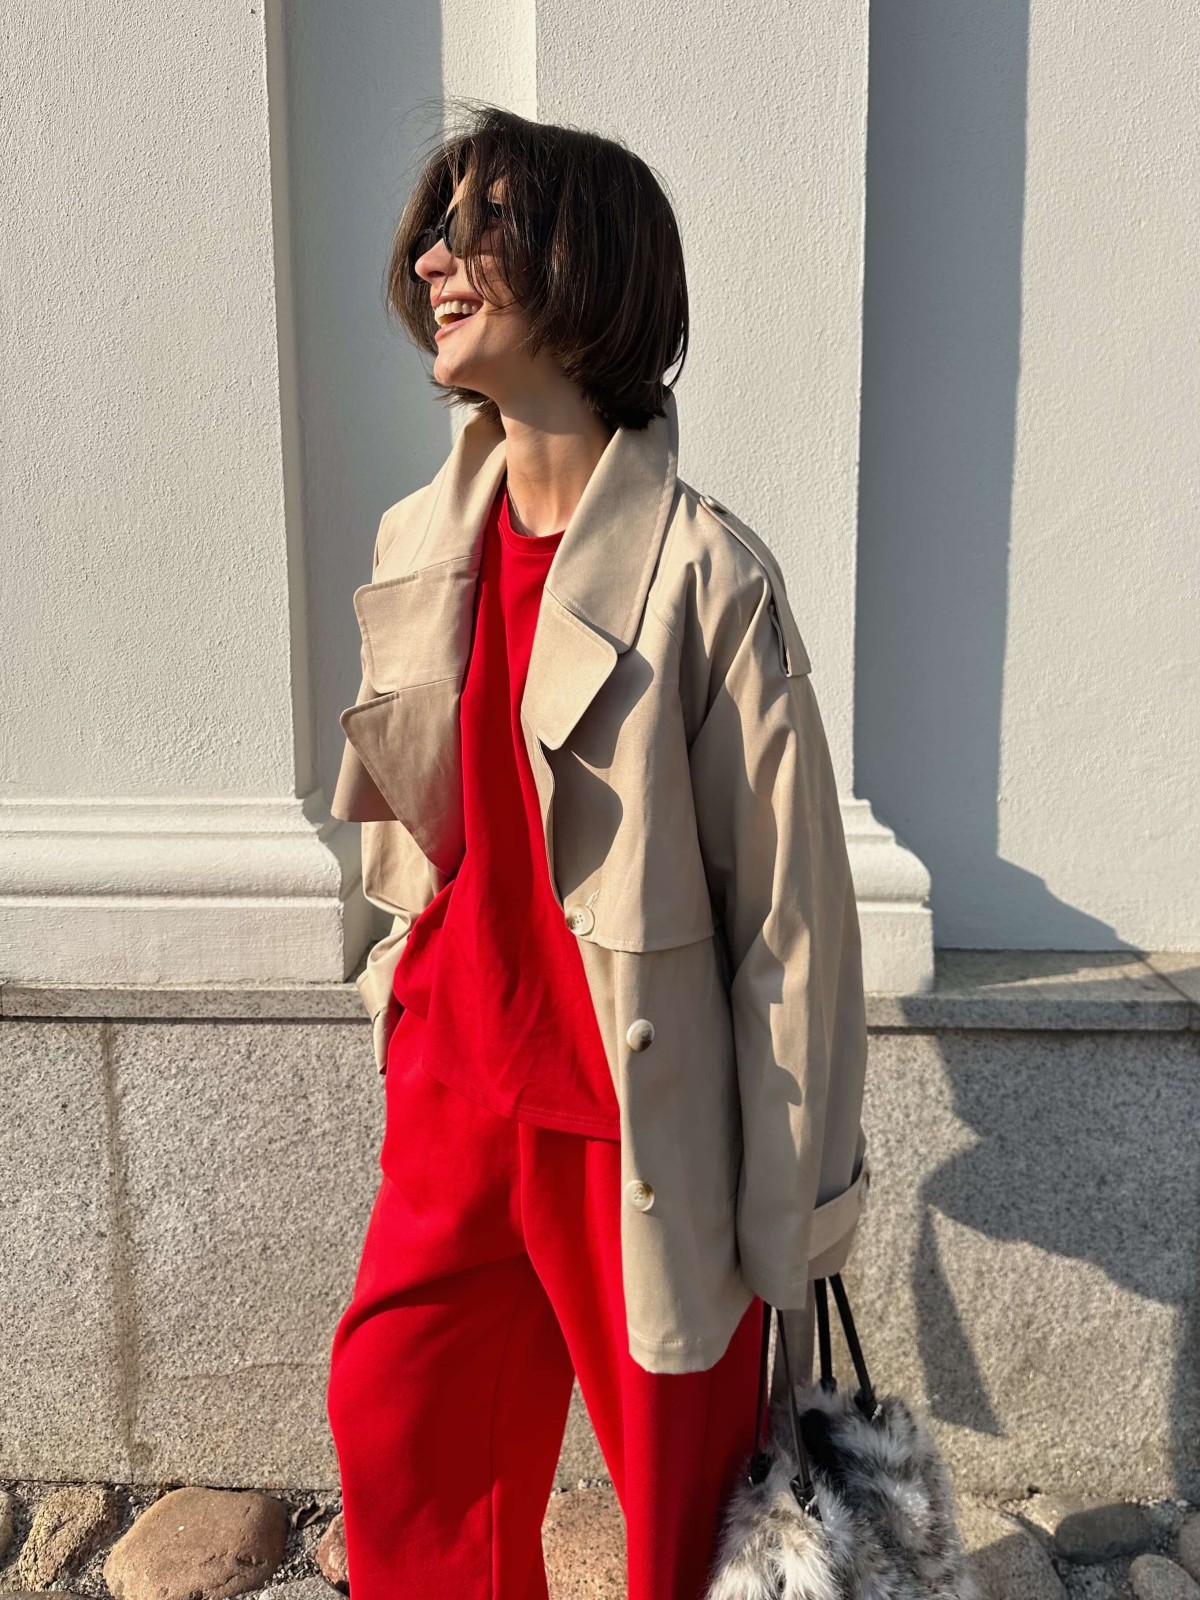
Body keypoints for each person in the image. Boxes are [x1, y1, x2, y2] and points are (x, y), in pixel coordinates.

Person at [324, 102, 870, 1600]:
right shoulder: (419, 543)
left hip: (634, 1118)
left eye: (479, 226)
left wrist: (794, 1217)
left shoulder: (707, 577)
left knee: (680, 1514)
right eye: (432, 233)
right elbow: (415, 820)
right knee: (401, 1426)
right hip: (457, 1088)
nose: (434, 261)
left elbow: (792, 927)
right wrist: (402, 993)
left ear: (586, 267)